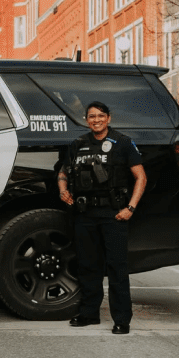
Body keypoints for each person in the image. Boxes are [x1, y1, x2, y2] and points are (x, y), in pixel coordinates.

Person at [58, 101, 146, 335]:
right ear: (86, 119)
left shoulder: (123, 143)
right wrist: (62, 189)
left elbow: (141, 177)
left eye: (100, 116)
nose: (96, 120)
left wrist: (131, 207)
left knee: (117, 268)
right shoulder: (78, 144)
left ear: (109, 118)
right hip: (85, 214)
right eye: (91, 116)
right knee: (88, 267)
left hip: (113, 214)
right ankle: (89, 314)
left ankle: (122, 319)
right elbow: (63, 172)